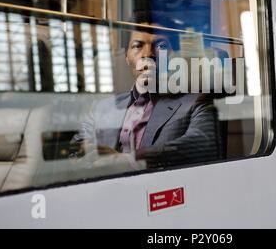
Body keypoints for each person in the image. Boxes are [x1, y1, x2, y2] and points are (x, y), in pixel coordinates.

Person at [73, 23, 224, 168]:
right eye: (137, 46)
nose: (148, 54)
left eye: (161, 46)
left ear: (172, 56)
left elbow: (203, 144)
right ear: (127, 56)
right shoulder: (102, 107)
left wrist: (128, 160)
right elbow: (75, 149)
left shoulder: (196, 101)